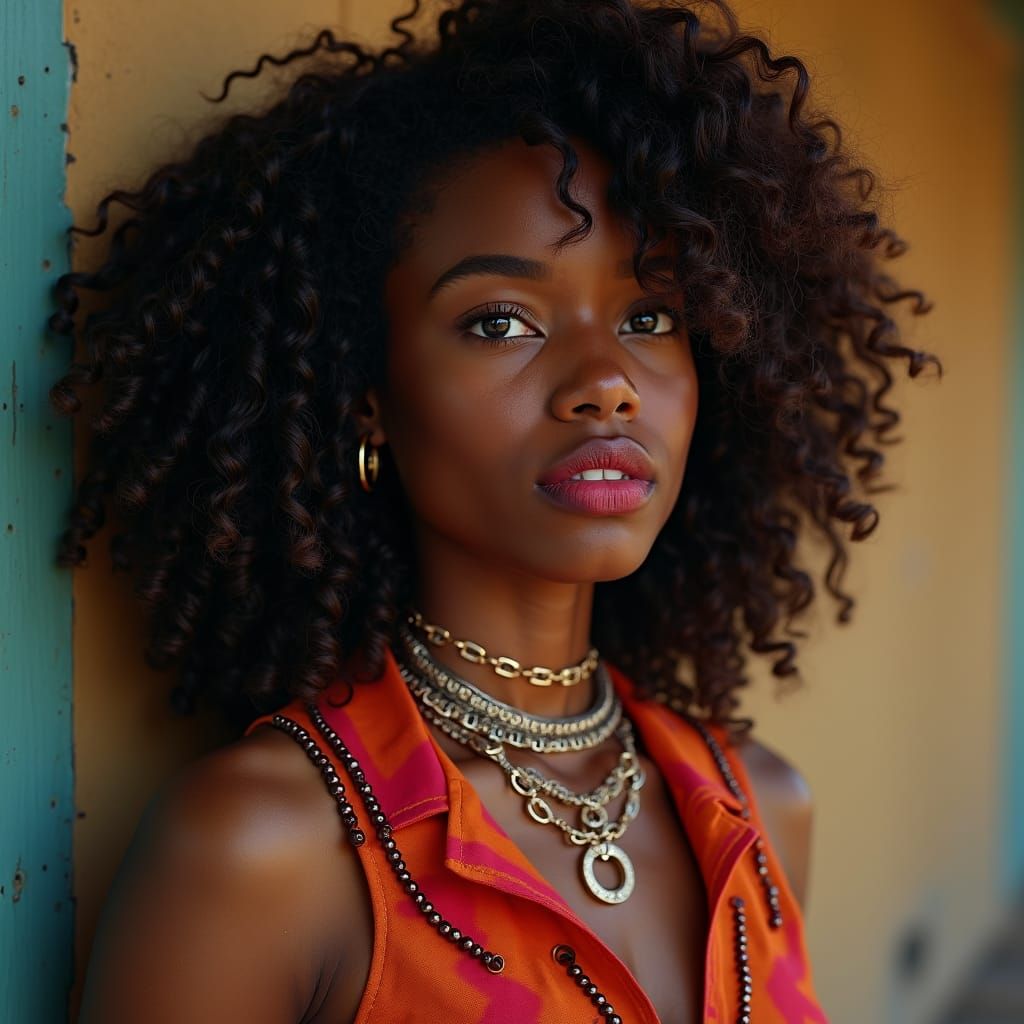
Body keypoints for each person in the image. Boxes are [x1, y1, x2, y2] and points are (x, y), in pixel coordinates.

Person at [52, 1, 940, 1020]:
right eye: (500, 320)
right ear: (367, 399)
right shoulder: (271, 851)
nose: (606, 381)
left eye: (650, 316)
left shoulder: (763, 809)